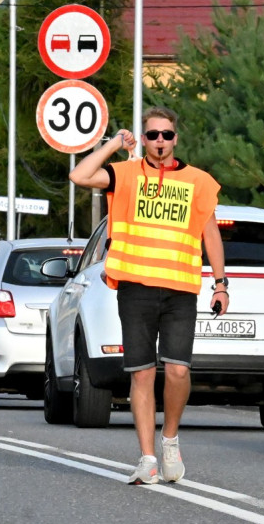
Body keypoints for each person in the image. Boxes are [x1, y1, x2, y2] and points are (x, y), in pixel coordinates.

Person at [68, 105, 228, 485]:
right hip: (135, 288)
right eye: (152, 135)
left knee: (177, 370)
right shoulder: (125, 174)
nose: (160, 142)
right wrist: (111, 145)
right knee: (140, 376)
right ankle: (147, 458)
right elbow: (79, 174)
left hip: (180, 290)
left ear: (176, 138)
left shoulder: (199, 181)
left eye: (166, 135)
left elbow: (210, 234)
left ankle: (169, 439)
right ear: (143, 139)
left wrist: (221, 284)